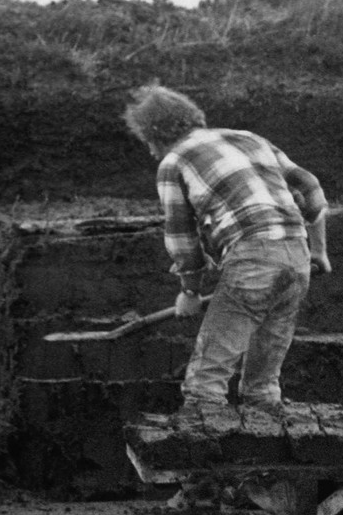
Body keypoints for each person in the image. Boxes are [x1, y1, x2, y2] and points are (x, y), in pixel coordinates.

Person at [122, 85, 331, 414]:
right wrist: (318, 249)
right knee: (262, 386)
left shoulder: (174, 162)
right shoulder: (249, 138)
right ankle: (263, 440)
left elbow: (181, 237)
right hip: (297, 257)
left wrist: (189, 291)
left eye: (147, 142)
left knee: (205, 381)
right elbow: (310, 186)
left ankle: (198, 448)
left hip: (252, 258)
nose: (150, 152)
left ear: (155, 134)